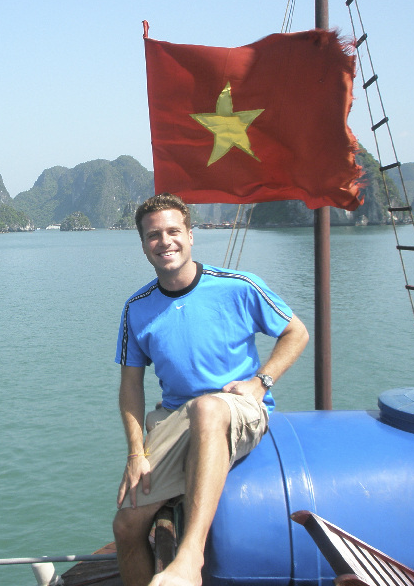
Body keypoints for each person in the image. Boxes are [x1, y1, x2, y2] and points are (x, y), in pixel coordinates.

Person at [112, 193, 309, 586]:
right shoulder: (137, 308)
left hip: (235, 407)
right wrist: (137, 452)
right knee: (126, 524)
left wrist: (260, 381)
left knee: (208, 408)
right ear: (143, 245)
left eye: (173, 231)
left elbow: (296, 332)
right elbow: (130, 386)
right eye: (154, 235)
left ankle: (191, 558)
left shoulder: (238, 286)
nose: (164, 241)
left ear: (190, 235)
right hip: (177, 419)